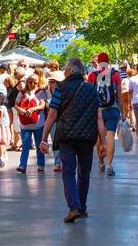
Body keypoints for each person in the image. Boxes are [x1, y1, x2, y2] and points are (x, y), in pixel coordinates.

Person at [40, 57, 100, 223]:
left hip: (66, 136)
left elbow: (52, 115)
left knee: (68, 171)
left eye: (66, 68)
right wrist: (104, 142)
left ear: (71, 70)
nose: (64, 71)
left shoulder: (61, 88)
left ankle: (73, 207)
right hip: (87, 137)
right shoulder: (91, 89)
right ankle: (82, 207)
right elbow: (99, 117)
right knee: (84, 173)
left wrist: (44, 138)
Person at [87, 52, 122, 176]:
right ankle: (109, 165)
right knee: (111, 137)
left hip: (98, 111)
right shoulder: (115, 75)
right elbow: (119, 95)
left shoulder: (92, 75)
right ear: (108, 61)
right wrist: (122, 111)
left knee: (99, 138)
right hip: (112, 109)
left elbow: (89, 94)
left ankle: (101, 162)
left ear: (98, 62)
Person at [15, 74, 48, 172]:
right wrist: (20, 110)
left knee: (39, 145)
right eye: (30, 82)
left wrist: (33, 109)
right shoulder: (22, 93)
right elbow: (15, 105)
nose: (32, 84)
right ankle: (23, 165)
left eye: (35, 82)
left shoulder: (40, 92)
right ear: (27, 82)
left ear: (38, 83)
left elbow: (43, 106)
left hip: (38, 124)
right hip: (25, 124)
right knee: (25, 145)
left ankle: (41, 164)